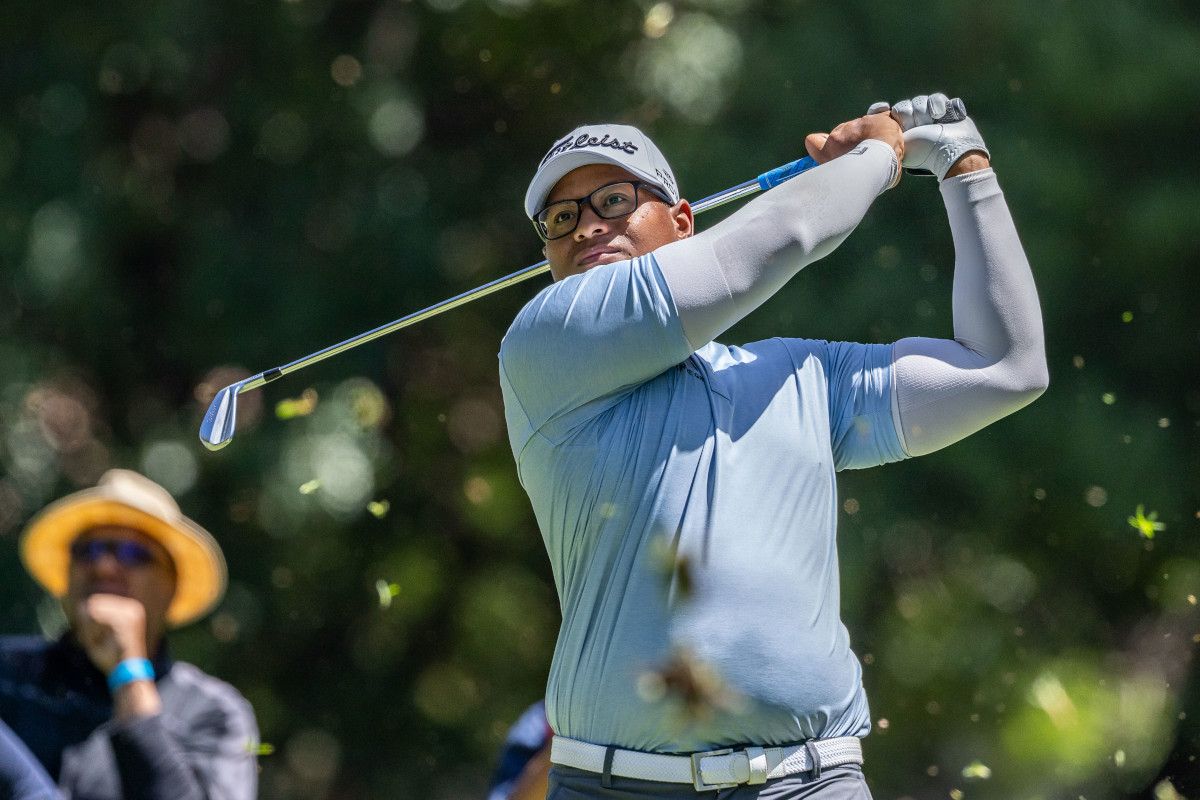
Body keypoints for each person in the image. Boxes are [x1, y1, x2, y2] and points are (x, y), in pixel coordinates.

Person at [497, 92, 1048, 798]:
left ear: (682, 220)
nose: (586, 228)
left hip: (811, 783)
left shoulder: (802, 373)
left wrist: (965, 168)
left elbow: (1008, 369)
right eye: (561, 218)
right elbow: (777, 237)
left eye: (613, 200)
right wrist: (880, 155)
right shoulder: (545, 347)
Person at [0, 469, 259, 800]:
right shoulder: (8, 674)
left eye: (132, 554)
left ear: (171, 586)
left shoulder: (214, 713)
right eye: (87, 550)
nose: (104, 566)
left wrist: (129, 675)